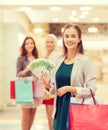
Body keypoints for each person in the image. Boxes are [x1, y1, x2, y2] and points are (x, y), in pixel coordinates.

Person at [40, 23, 97, 130]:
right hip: (59, 110)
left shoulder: (85, 61)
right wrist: (46, 84)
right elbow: (54, 89)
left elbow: (92, 90)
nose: (69, 39)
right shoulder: (59, 60)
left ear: (79, 39)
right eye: (66, 36)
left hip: (75, 111)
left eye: (73, 36)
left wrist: (70, 89)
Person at [16, 36, 41, 130]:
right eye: (27, 43)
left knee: (33, 113)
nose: (29, 45)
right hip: (25, 88)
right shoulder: (21, 59)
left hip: (37, 87)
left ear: (34, 45)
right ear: (24, 46)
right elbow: (18, 74)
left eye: (31, 43)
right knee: (25, 115)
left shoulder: (37, 58)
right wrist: (26, 70)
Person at [42, 34, 61, 130]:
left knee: (52, 116)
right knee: (49, 116)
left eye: (51, 42)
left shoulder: (56, 55)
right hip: (45, 88)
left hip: (52, 87)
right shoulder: (45, 55)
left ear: (55, 43)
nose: (49, 44)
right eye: (47, 42)